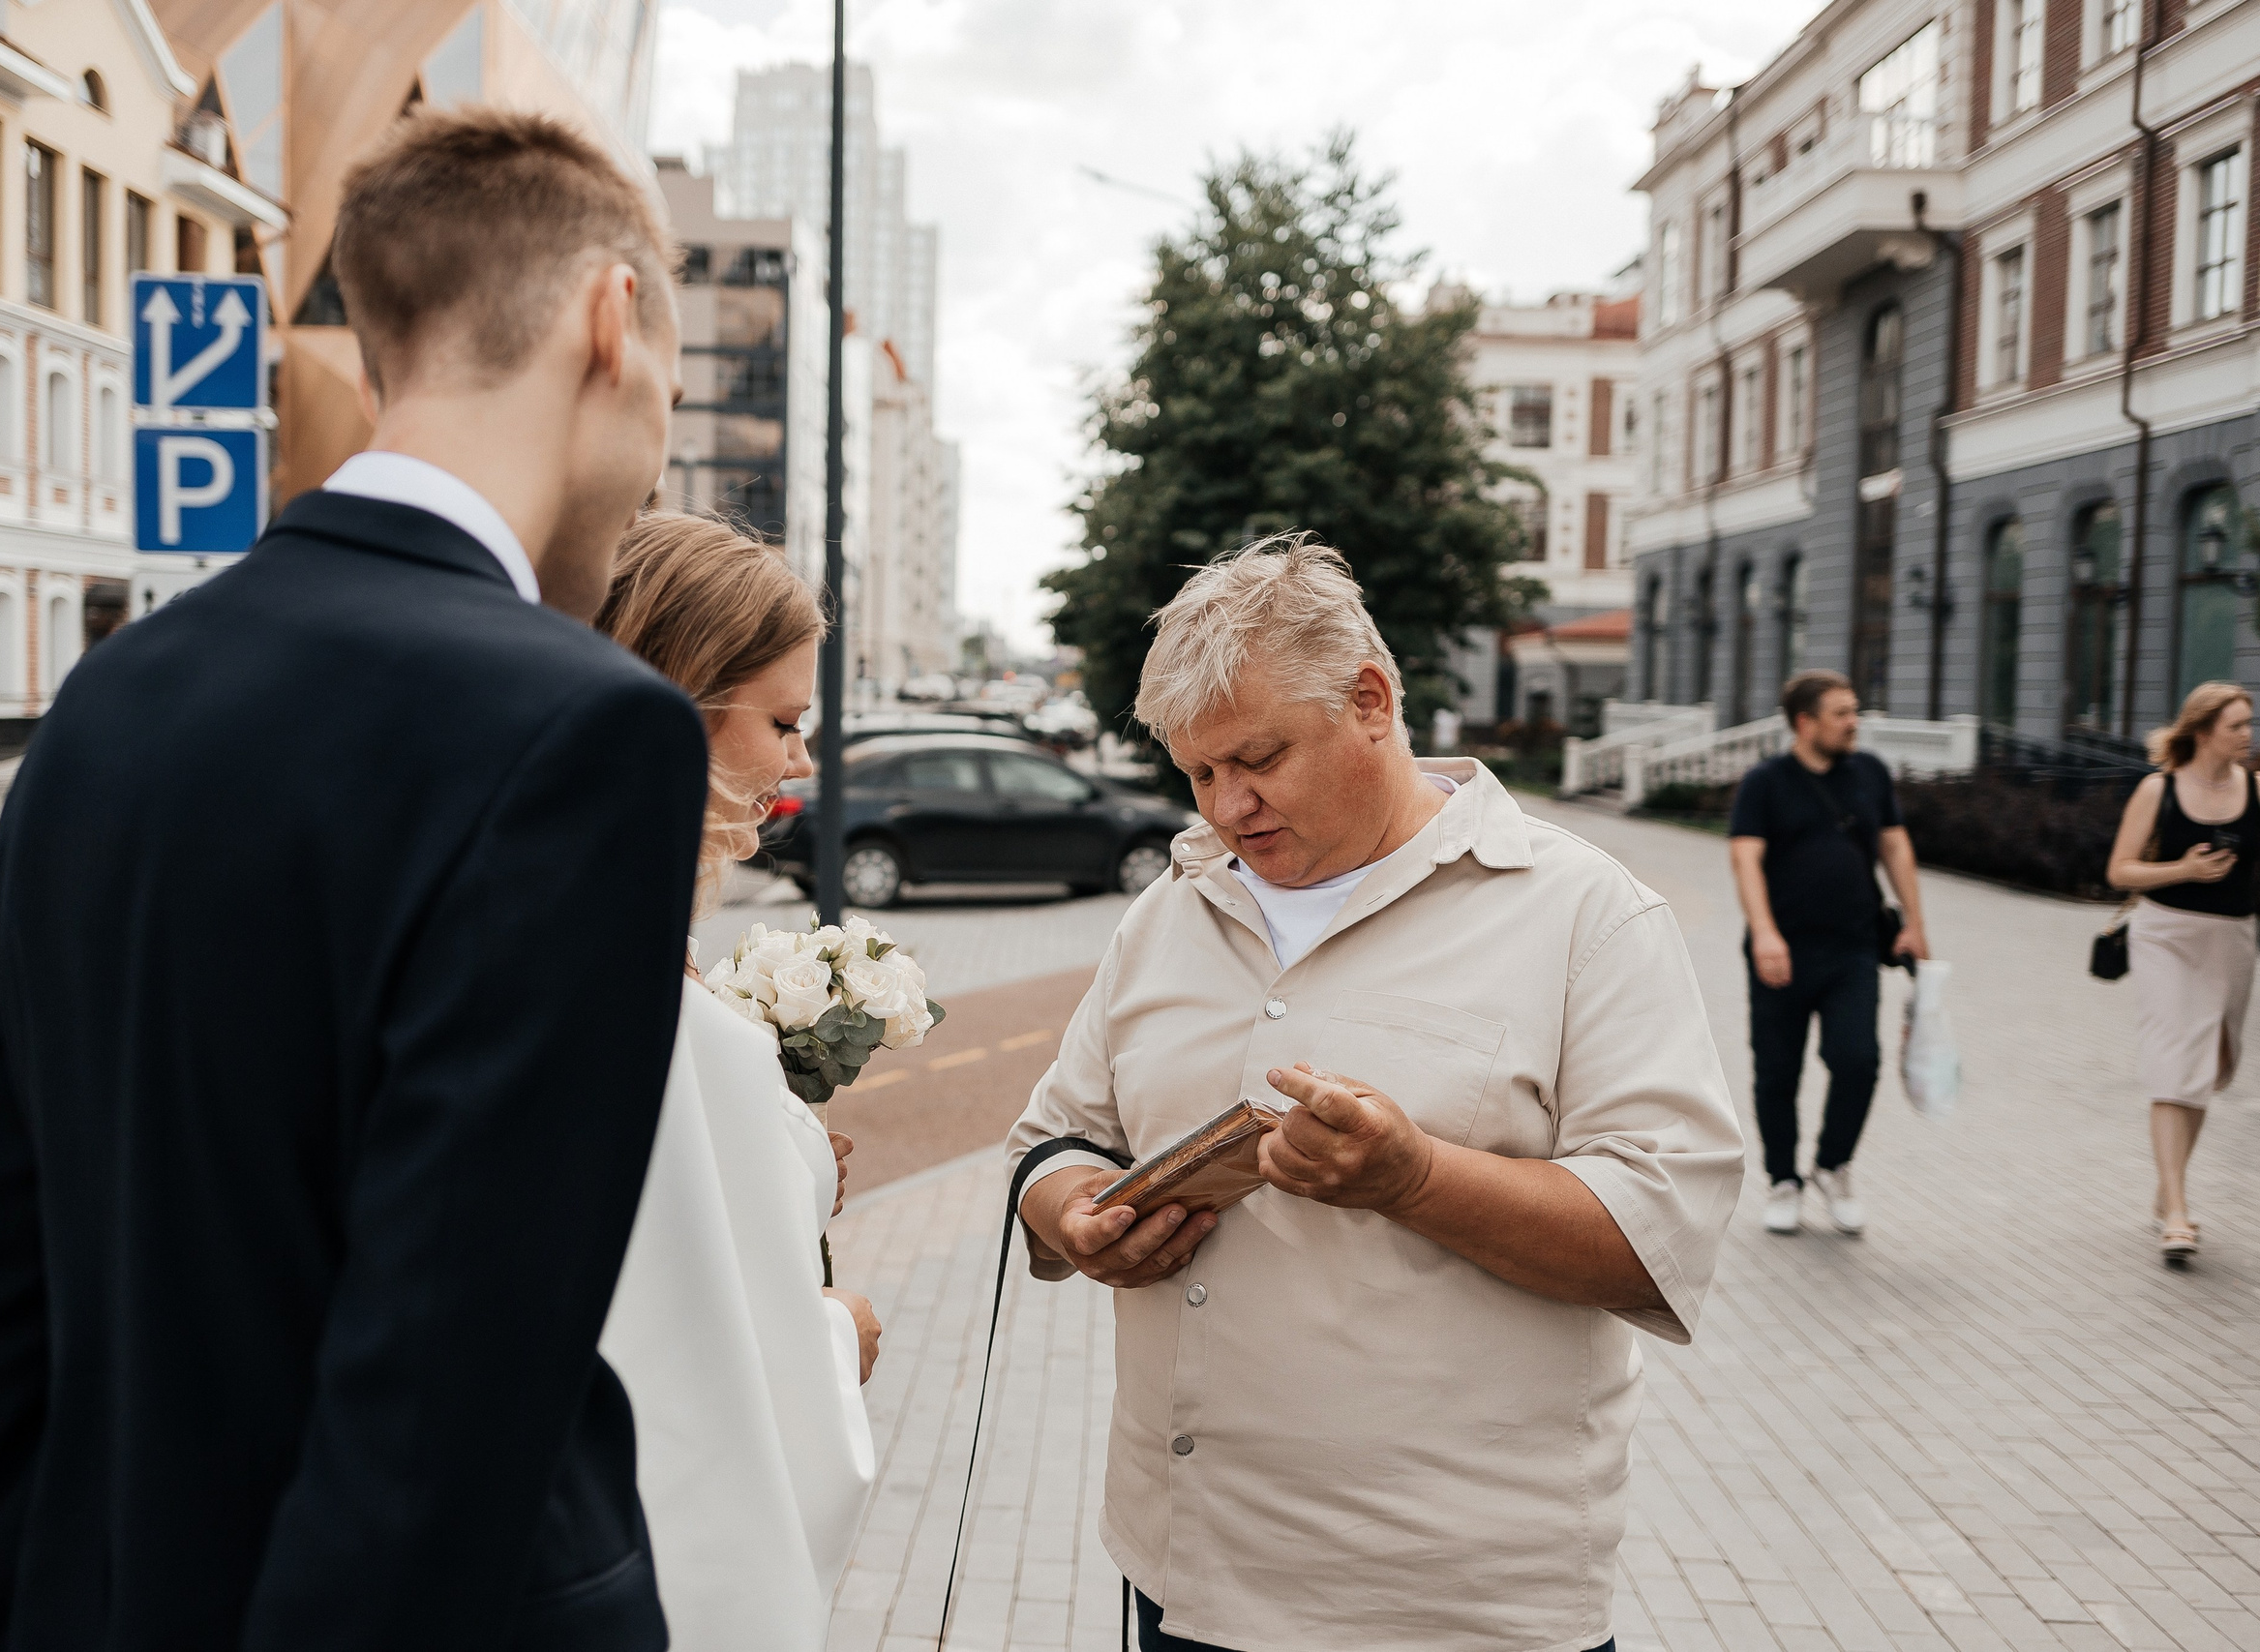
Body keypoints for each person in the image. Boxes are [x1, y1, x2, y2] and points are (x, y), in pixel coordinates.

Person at [0, 109, 702, 1652]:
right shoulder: (584, 730)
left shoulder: (112, 694)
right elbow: (441, 1403)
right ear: (611, 317)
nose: (659, 425)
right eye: (667, 366)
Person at [1007, 538, 1743, 1652]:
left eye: (1258, 757)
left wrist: (1415, 1178)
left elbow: (1656, 1242)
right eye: (1199, 773)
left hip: (1452, 1609)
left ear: (1369, 700)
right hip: (1183, 1573)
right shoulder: (1168, 909)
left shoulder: (1588, 915)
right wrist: (1071, 1212)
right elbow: (1057, 1134)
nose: (1229, 806)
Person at [593, 513, 880, 1650]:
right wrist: (837, 1335)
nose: (802, 761)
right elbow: (670, 1344)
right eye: (783, 722)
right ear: (679, 704)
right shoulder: (622, 983)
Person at [1727, 669, 1930, 1238]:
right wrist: (1765, 932)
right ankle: (1784, 1180)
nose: (1853, 722)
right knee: (1777, 1071)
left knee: (1857, 1059)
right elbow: (1745, 858)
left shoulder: (1868, 774)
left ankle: (1832, 1165)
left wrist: (1915, 922)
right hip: (1782, 952)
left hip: (1854, 948)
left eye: (1854, 710)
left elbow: (1894, 843)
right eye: (1841, 713)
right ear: (1804, 722)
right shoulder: (1766, 782)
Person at [2105, 680, 2256, 1267]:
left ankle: (2166, 1186)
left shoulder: (2257, 791)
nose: (2247, 736)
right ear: (2202, 730)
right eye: (2236, 726)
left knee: (2210, 1067)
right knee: (2174, 1064)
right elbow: (2120, 871)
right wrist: (2183, 869)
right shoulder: (2158, 789)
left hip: (2233, 941)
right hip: (2167, 937)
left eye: (2249, 724)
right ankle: (2177, 1211)